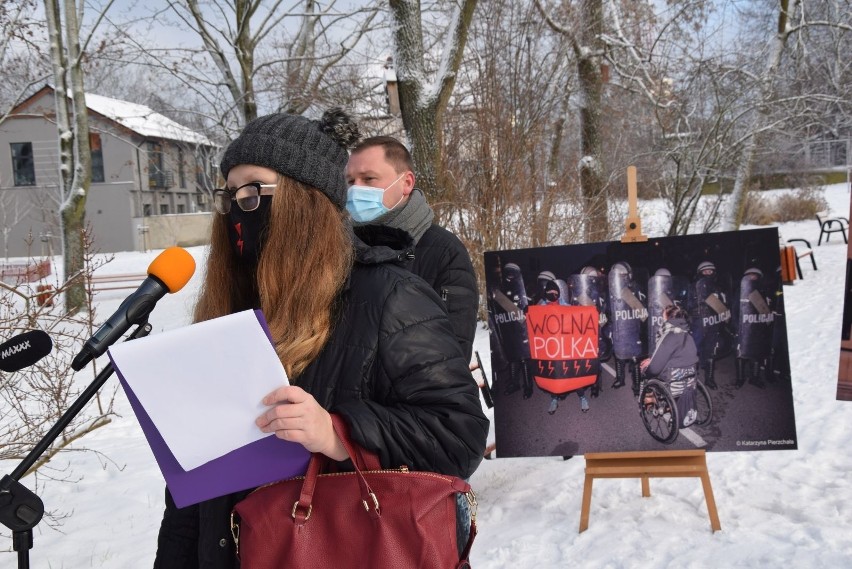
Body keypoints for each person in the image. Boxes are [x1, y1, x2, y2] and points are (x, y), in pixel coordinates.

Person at [152, 110, 489, 568]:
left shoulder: (390, 296)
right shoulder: (234, 310)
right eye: (228, 194)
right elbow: (197, 497)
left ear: (305, 202)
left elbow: (460, 435)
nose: (237, 209)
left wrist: (335, 432)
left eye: (253, 190)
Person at [345, 136, 479, 361]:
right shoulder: (339, 248)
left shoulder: (444, 252)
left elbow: (452, 351)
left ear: (406, 182)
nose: (355, 190)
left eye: (369, 179)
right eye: (350, 181)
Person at [640, 304, 699, 428]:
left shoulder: (669, 335)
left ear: (668, 318)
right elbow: (679, 355)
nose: (662, 320)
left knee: (645, 371)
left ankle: (647, 404)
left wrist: (647, 371)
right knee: (652, 363)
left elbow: (655, 367)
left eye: (663, 317)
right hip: (691, 376)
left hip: (674, 379)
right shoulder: (687, 334)